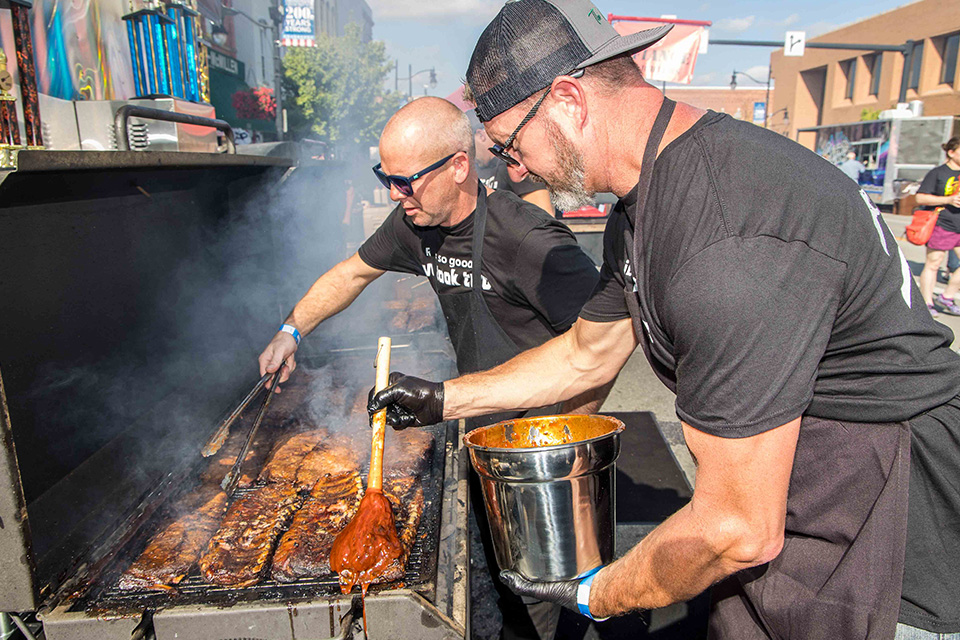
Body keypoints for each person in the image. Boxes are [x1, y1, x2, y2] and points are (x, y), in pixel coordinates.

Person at [369, 2, 960, 639]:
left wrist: (600, 590)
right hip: (782, 497)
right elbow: (584, 355)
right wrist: (442, 400)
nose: (515, 171)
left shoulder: (727, 236)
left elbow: (734, 529)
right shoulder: (640, 204)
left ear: (568, 99)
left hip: (890, 538)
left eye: (512, 145)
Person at [258, 96, 607, 640]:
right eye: (385, 178)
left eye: (405, 181)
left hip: (538, 449)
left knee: (544, 597)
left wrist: (563, 447)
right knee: (495, 582)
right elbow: (350, 275)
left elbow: (601, 350)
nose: (392, 193)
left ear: (459, 166)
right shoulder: (413, 226)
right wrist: (291, 330)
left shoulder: (529, 241)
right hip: (478, 428)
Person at [469, 108, 555, 215]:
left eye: (470, 146)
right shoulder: (476, 169)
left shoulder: (514, 164)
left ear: (481, 135)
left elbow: (544, 217)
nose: (468, 153)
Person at [917, 137, 960, 317]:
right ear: (951, 153)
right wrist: (948, 200)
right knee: (934, 264)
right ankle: (927, 303)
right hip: (942, 223)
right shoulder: (938, 173)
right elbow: (920, 198)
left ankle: (947, 296)